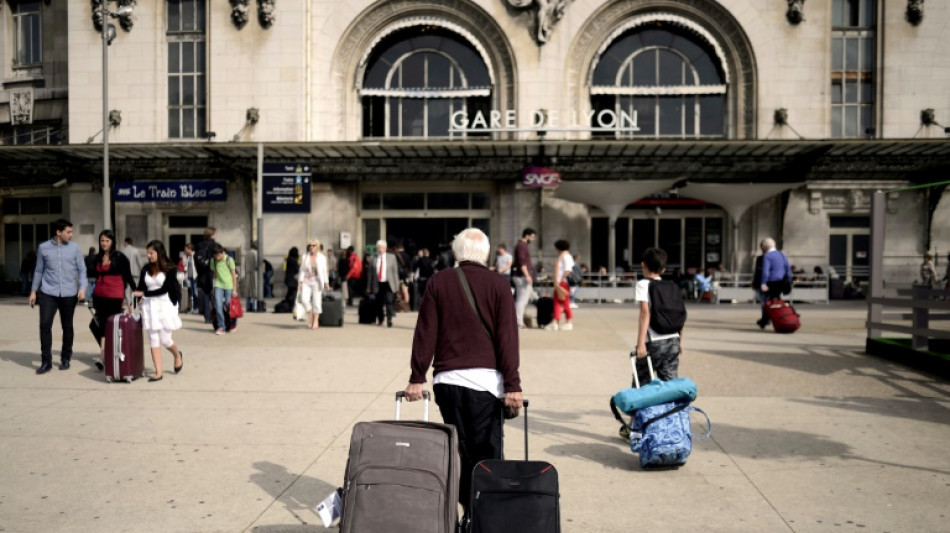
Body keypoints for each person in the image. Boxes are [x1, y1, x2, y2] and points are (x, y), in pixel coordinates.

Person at [403, 227, 523, 515]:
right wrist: (513, 384)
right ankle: (482, 515)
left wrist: (417, 377)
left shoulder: (438, 282)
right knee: (487, 454)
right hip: (486, 384)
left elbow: (425, 333)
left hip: (448, 382)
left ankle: (461, 510)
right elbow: (508, 337)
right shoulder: (498, 284)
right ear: (485, 253)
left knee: (458, 451)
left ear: (456, 252)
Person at [30, 219, 87, 374]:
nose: (71, 235)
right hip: (48, 292)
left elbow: (82, 270)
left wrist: (82, 288)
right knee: (44, 325)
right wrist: (34, 291)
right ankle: (46, 361)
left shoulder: (75, 248)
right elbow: (38, 270)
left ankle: (65, 358)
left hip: (69, 293)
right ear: (58, 232)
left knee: (67, 326)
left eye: (71, 231)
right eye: (68, 232)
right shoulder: (43, 248)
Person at [132, 240, 183, 382]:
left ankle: (177, 355)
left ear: (159, 253)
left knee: (165, 339)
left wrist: (143, 295)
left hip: (166, 305)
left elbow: (164, 289)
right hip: (150, 306)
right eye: (147, 253)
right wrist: (133, 304)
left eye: (151, 253)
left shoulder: (170, 268)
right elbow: (141, 287)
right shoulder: (145, 269)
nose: (148, 256)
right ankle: (158, 372)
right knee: (153, 338)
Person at [634, 247, 684, 382]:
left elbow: (645, 313)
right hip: (673, 339)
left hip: (654, 341)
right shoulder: (672, 286)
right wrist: (679, 341)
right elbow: (680, 313)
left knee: (641, 384)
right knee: (670, 385)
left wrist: (640, 343)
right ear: (663, 269)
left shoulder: (643, 284)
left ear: (643, 265)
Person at [89, 230, 136, 371]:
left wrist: (134, 300)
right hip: (99, 297)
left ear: (112, 242)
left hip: (114, 297)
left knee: (109, 326)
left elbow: (129, 278)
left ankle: (103, 357)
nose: (104, 243)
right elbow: (94, 277)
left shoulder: (120, 257)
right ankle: (107, 354)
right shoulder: (98, 257)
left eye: (107, 241)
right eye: (102, 241)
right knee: (99, 326)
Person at [757, 237, 792, 329]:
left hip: (772, 282)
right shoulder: (782, 254)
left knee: (769, 302)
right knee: (776, 300)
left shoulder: (767, 256)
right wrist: (789, 280)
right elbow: (787, 268)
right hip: (781, 282)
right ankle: (767, 319)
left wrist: (763, 283)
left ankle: (766, 319)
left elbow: (766, 271)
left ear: (764, 247)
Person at [298, 239, 329, 329]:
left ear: (317, 247)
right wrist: (300, 281)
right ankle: (310, 315)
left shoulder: (322, 258)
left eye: (313, 245)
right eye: (310, 245)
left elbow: (324, 271)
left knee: (316, 301)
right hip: (306, 280)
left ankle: (315, 320)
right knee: (304, 299)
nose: (311, 247)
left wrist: (326, 282)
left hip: (317, 281)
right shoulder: (305, 257)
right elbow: (302, 270)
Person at [367, 240, 399, 327]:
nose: (380, 249)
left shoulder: (392, 257)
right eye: (378, 248)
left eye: (382, 248)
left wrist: (397, 286)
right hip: (378, 283)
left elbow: (395, 272)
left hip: (388, 283)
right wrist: (369, 287)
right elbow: (370, 274)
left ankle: (389, 319)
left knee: (389, 301)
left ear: (385, 248)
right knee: (379, 303)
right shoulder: (373, 258)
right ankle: (381, 319)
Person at [510, 228, 537, 329]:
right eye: (532, 236)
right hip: (521, 276)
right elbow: (522, 262)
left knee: (521, 300)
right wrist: (527, 275)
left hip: (519, 275)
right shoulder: (522, 246)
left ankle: (519, 321)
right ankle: (519, 322)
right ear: (527, 235)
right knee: (522, 300)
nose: (533, 239)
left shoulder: (520, 245)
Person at [211, 245, 239, 335]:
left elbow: (234, 275)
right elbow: (214, 274)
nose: (217, 258)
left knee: (229, 306)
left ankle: (233, 324)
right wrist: (213, 287)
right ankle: (221, 327)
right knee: (218, 306)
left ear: (222, 253)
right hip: (218, 285)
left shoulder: (229, 260)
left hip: (229, 286)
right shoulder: (213, 261)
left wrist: (235, 289)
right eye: (216, 256)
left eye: (219, 256)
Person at [547, 239, 574, 331]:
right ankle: (560, 322)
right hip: (561, 283)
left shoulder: (565, 256)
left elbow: (568, 269)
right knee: (560, 303)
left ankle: (561, 322)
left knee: (560, 303)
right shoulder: (565, 256)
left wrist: (560, 280)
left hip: (561, 283)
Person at [194, 228, 218, 324]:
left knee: (205, 296)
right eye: (215, 233)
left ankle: (207, 317)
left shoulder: (199, 245)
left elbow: (196, 260)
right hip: (212, 273)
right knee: (216, 296)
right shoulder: (215, 245)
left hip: (202, 274)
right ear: (212, 234)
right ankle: (215, 316)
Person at [181, 243, 199, 313]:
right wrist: (185, 256)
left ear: (190, 249)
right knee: (190, 293)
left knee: (195, 292)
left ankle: (196, 308)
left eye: (186, 249)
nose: (185, 250)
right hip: (188, 277)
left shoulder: (195, 255)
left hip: (195, 277)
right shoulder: (186, 257)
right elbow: (184, 265)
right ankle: (192, 308)